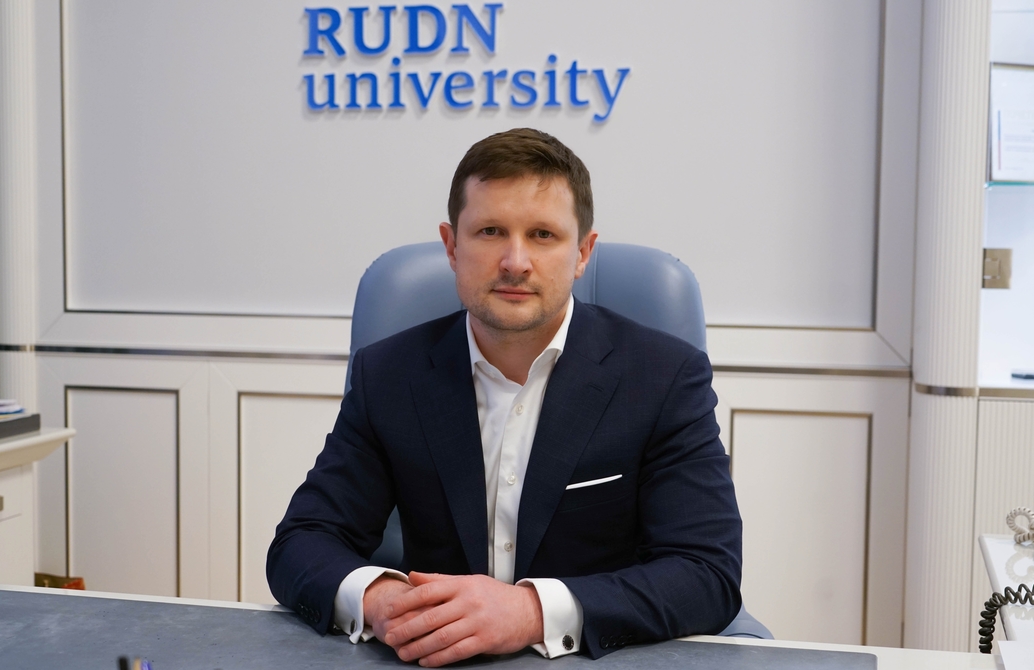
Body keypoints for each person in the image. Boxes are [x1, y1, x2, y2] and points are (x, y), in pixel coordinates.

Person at [267, 128, 742, 667]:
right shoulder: (390, 375)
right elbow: (302, 541)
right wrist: (384, 602)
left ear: (583, 252)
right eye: (490, 231)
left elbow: (707, 573)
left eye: (543, 234)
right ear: (452, 246)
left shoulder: (663, 377)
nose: (516, 261)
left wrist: (529, 612)